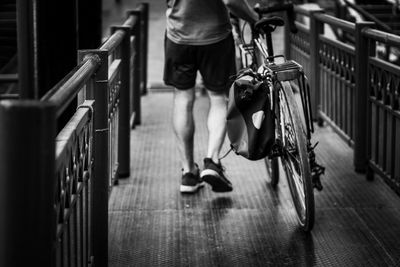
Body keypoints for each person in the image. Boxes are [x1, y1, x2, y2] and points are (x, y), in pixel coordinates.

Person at [164, 0, 258, 193]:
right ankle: (212, 162)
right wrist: (254, 18)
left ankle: (189, 173)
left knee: (183, 98)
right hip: (216, 38)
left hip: (178, 35)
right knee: (217, 99)